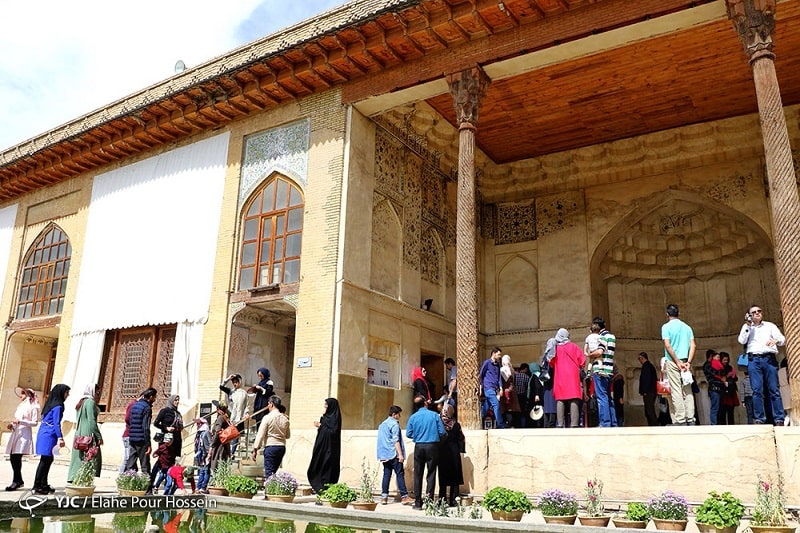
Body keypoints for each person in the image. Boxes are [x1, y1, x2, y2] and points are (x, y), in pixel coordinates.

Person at [738, 305, 785, 426]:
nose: (757, 313)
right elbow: (741, 340)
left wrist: (776, 341)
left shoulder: (770, 326)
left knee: (774, 389)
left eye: (759, 311)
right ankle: (759, 419)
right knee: (757, 390)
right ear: (749, 315)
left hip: (768, 359)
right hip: (754, 360)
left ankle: (779, 418)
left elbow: (782, 339)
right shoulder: (747, 327)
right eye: (754, 312)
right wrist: (748, 325)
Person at [405, 395, 446, 510]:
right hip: (432, 446)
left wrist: (417, 436)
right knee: (431, 474)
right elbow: (442, 432)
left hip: (419, 446)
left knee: (418, 474)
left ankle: (418, 502)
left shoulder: (413, 417)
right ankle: (429, 501)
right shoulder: (434, 415)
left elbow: (408, 434)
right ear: (425, 403)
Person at [661, 304, 696, 426]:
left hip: (673, 361)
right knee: (688, 389)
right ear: (678, 313)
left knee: (676, 390)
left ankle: (680, 419)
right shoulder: (687, 327)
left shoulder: (666, 327)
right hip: (686, 361)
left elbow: (668, 345)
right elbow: (693, 345)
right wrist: (688, 362)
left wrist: (676, 361)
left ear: (667, 314)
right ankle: (691, 418)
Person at [33, 383, 70, 494]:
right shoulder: (58, 406)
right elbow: (56, 423)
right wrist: (60, 438)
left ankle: (43, 484)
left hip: (44, 432)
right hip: (49, 434)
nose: (67, 395)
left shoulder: (50, 404)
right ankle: (37, 485)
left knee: (47, 459)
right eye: (66, 393)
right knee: (45, 460)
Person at [548, 328, 585, 428]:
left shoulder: (555, 349)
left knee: (560, 399)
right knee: (574, 399)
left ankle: (560, 424)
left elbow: (551, 363)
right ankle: (574, 424)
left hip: (560, 376)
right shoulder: (574, 347)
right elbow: (582, 361)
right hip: (572, 376)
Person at [67, 384, 104, 484]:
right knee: (90, 457)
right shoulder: (90, 402)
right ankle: (83, 478)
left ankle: (73, 477)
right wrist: (98, 436)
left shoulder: (82, 402)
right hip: (88, 434)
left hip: (79, 433)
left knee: (78, 458)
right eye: (97, 392)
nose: (98, 395)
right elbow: (92, 421)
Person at [5, 388, 40, 491]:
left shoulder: (33, 407)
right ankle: (18, 480)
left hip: (24, 434)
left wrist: (21, 422)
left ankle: (17, 481)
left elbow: (34, 422)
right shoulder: (21, 406)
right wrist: (12, 424)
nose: (21, 396)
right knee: (13, 457)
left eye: (23, 394)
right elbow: (17, 419)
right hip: (16, 432)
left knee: (16, 457)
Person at [376, 405, 411, 505]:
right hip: (394, 453)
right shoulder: (394, 424)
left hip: (385, 454)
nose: (400, 416)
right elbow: (396, 440)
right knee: (399, 474)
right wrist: (400, 454)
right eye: (399, 414)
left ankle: (384, 497)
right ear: (394, 414)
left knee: (387, 474)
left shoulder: (382, 424)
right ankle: (404, 496)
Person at [306, 397, 342, 494]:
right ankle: (319, 487)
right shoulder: (326, 417)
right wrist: (321, 424)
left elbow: (333, 432)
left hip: (330, 448)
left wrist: (321, 426)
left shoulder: (335, 418)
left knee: (327, 467)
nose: (325, 407)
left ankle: (325, 489)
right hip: (321, 447)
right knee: (318, 464)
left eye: (326, 405)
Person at [251, 395, 291, 480]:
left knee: (269, 472)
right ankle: (273, 490)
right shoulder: (285, 419)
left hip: (271, 446)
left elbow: (260, 434)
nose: (268, 406)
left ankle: (269, 491)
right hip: (281, 447)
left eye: (268, 404)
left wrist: (255, 449)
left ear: (271, 404)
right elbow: (288, 435)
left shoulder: (267, 417)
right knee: (274, 472)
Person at [587, 317, 617, 427]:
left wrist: (589, 354)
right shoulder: (612, 336)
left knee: (601, 397)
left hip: (601, 370)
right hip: (609, 369)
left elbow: (600, 351)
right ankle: (613, 422)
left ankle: (605, 423)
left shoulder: (602, 337)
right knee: (609, 397)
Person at [437, 403, 464, 507]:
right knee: (454, 478)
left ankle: (442, 500)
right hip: (454, 453)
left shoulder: (440, 424)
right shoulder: (456, 425)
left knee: (443, 478)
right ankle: (453, 500)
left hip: (442, 453)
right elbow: (461, 439)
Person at [125, 387, 157, 473]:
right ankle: (147, 485)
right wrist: (148, 444)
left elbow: (129, 421)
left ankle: (128, 482)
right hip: (142, 440)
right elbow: (146, 427)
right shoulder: (147, 408)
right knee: (145, 465)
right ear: (150, 397)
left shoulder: (134, 405)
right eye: (154, 397)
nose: (155, 399)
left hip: (132, 438)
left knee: (130, 463)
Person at [220, 374, 248, 455]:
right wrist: (228, 379)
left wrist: (246, 413)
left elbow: (246, 405)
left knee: (236, 434)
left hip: (239, 417)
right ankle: (228, 452)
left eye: (236, 382)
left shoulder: (244, 393)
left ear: (240, 382)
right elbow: (221, 387)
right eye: (233, 382)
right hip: (231, 416)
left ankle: (232, 452)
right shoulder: (231, 391)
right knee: (229, 433)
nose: (235, 384)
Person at [479, 347, 505, 428]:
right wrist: (481, 387)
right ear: (493, 354)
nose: (499, 356)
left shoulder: (497, 365)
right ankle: (500, 424)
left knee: (486, 406)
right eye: (498, 354)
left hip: (494, 389)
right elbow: (481, 375)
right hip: (488, 388)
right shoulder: (487, 363)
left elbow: (499, 377)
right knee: (496, 404)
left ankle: (479, 419)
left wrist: (500, 387)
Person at [154, 394, 184, 463]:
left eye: (178, 400)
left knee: (175, 459)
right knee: (164, 459)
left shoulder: (178, 413)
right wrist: (166, 428)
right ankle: (155, 473)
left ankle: (170, 473)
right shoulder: (165, 411)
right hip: (167, 438)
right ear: (171, 401)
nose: (177, 402)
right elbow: (156, 423)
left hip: (177, 439)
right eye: (175, 400)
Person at [208, 400, 231, 472]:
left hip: (219, 447)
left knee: (216, 467)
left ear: (218, 409)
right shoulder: (226, 417)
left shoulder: (220, 418)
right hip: (224, 446)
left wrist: (212, 446)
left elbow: (217, 431)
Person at [500, 354, 521, 427]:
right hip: (512, 390)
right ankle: (513, 424)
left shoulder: (503, 369)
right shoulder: (511, 369)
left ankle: (508, 423)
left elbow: (505, 380)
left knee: (507, 408)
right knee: (512, 408)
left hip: (506, 391)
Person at [638, 352, 658, 426]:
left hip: (649, 392)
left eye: (639, 358)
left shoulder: (647, 366)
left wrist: (645, 391)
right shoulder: (648, 366)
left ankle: (654, 424)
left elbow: (646, 380)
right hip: (651, 391)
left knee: (649, 410)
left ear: (642, 358)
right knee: (649, 409)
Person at [119, 395, 138, 473]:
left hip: (133, 435)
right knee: (128, 458)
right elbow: (127, 418)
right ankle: (121, 477)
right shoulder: (134, 404)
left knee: (132, 458)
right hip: (128, 435)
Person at [193, 416, 211, 493]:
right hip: (203, 454)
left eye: (199, 423)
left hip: (205, 454)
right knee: (204, 471)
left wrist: (208, 454)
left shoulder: (205, 433)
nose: (197, 425)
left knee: (204, 471)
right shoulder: (201, 434)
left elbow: (209, 444)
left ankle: (201, 487)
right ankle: (200, 487)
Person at [719, 352, 738, 425]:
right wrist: (727, 376)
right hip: (723, 392)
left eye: (727, 360)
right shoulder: (719, 368)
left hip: (731, 390)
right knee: (723, 410)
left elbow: (735, 378)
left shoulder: (729, 367)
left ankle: (731, 425)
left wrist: (733, 376)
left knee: (731, 410)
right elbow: (721, 378)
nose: (726, 362)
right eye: (724, 360)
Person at [513, 363, 531, 428]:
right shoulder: (527, 377)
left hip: (515, 396)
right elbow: (528, 387)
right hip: (523, 396)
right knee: (523, 412)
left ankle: (516, 425)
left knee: (516, 412)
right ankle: (523, 425)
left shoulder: (515, 376)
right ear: (525, 369)